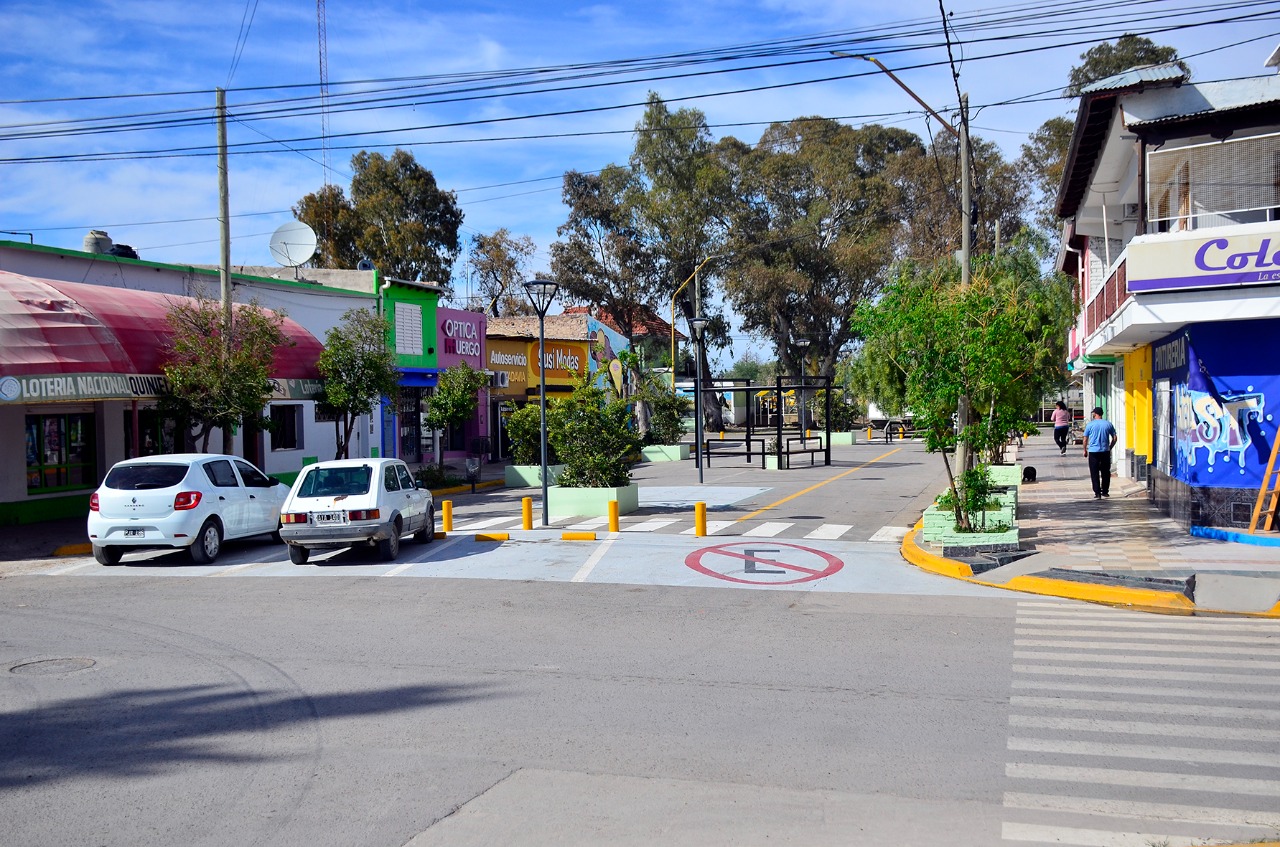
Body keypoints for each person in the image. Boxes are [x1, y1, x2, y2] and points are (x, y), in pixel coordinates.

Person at [1083, 406, 1118, 499]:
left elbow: (1085, 439)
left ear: (1095, 414)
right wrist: (1110, 447)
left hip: (1093, 452)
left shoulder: (1090, 425)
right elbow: (1115, 438)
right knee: (1105, 472)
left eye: (1093, 413)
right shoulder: (1108, 424)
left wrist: (1085, 450)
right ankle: (1105, 491)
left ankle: (1097, 493)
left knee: (1094, 472)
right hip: (1105, 451)